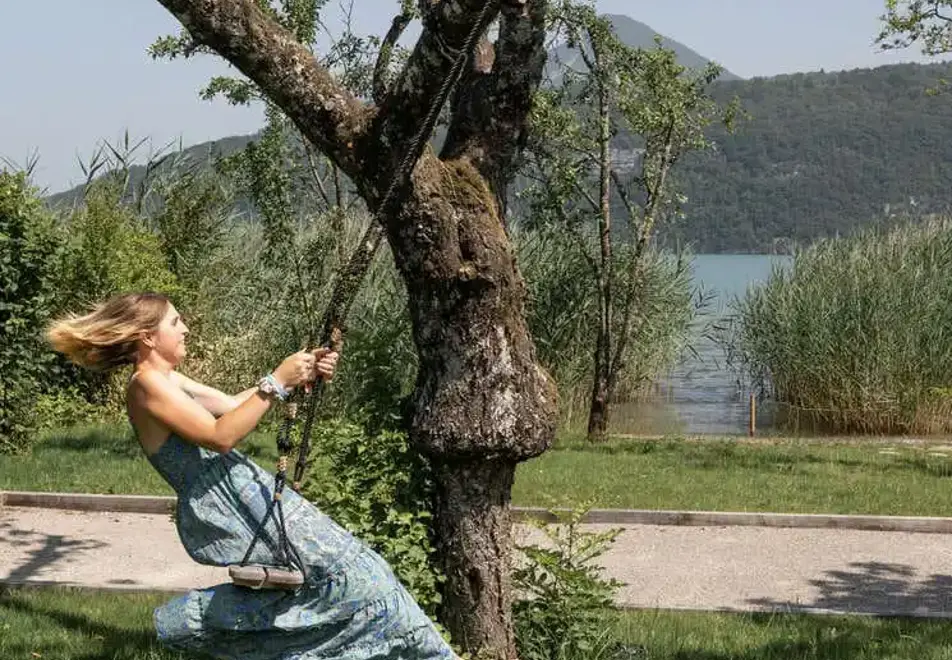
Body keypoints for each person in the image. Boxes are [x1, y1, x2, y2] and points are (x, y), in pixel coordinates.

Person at [46, 292, 456, 660]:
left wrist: (301, 373)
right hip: (230, 503)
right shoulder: (146, 385)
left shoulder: (165, 380)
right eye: (175, 321)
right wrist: (276, 381)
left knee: (348, 574)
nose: (186, 328)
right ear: (148, 337)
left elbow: (231, 406)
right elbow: (220, 436)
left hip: (245, 493)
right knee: (352, 574)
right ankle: (188, 622)